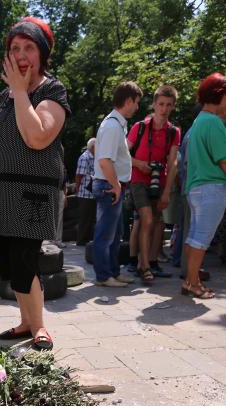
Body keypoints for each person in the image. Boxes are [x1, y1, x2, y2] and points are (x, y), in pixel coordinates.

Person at [0, 16, 70, 351]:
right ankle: (26, 322)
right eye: (15, 48)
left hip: (33, 195)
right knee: (9, 262)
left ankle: (39, 326)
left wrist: (19, 90)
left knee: (25, 260)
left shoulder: (52, 91)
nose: (21, 54)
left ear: (42, 54)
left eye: (29, 47)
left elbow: (37, 136)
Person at [127, 85, 180, 283]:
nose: (164, 109)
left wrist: (167, 192)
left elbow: (173, 162)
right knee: (147, 220)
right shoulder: (139, 127)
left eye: (168, 105)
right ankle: (144, 266)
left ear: (173, 106)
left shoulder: (174, 131)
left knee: (158, 223)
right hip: (139, 179)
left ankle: (151, 262)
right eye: (161, 104)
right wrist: (139, 163)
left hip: (160, 181)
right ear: (153, 104)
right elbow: (123, 153)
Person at [92, 81, 142, 287]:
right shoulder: (113, 126)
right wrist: (116, 186)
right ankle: (104, 276)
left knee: (116, 234)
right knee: (106, 234)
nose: (138, 107)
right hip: (109, 185)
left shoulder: (116, 123)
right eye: (137, 102)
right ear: (128, 101)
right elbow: (104, 161)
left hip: (112, 184)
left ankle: (112, 272)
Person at [182, 72, 226, 299]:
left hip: (196, 188)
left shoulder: (198, 122)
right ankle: (193, 283)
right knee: (201, 240)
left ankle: (191, 281)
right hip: (212, 189)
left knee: (193, 237)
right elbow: (224, 160)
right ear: (219, 94)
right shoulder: (215, 124)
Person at [75, 138, 96, 245]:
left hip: (93, 193)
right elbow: (79, 175)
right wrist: (77, 188)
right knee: (84, 219)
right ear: (92, 147)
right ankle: (81, 240)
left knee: (91, 218)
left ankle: (87, 240)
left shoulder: (95, 157)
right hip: (85, 193)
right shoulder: (85, 157)